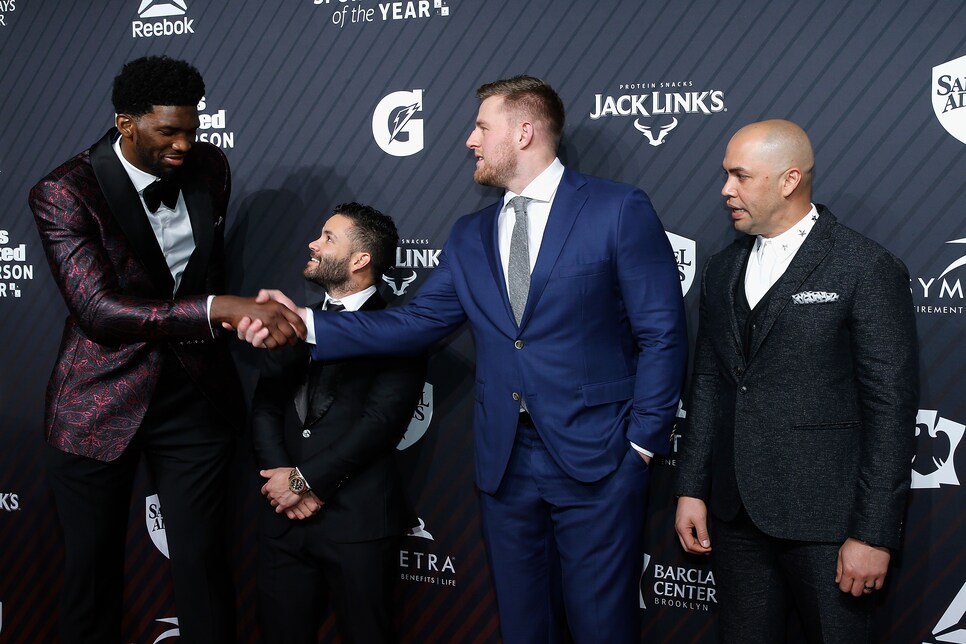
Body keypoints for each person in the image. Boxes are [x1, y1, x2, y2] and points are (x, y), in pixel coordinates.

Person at [239, 75, 687, 643]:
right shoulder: (471, 233)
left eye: (481, 126)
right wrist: (302, 322)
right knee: (523, 626)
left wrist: (643, 444)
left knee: (603, 626)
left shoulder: (617, 208)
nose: (470, 140)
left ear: (524, 131)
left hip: (599, 455)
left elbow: (663, 334)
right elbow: (415, 323)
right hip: (504, 463)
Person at [28, 55, 304, 643]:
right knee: (91, 582)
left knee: (205, 569)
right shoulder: (64, 191)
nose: (184, 144)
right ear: (126, 123)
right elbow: (98, 311)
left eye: (191, 128)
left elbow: (202, 268)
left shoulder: (210, 168)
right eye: (167, 132)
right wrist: (218, 308)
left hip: (194, 397)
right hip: (98, 404)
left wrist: (240, 319)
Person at [673, 120, 918, 643]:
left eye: (740, 176)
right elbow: (711, 383)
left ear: (788, 180)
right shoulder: (721, 269)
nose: (725, 190)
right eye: (726, 175)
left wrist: (872, 532)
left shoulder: (864, 267)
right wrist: (692, 488)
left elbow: (890, 409)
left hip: (830, 525)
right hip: (735, 517)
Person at [252, 202, 425, 643]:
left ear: (360, 260)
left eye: (328, 237)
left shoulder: (400, 328)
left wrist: (304, 483)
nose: (313, 242)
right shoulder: (294, 322)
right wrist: (282, 484)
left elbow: (381, 422)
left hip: (358, 524)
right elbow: (266, 406)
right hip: (284, 522)